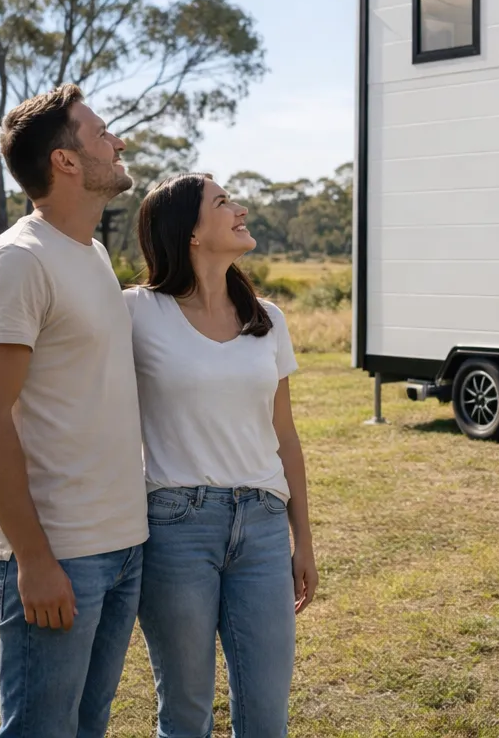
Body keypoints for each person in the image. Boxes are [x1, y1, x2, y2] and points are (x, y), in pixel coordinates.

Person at [0, 84, 146, 738]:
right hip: (59, 554)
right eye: (100, 134)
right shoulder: (16, 263)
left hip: (121, 544)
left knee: (86, 729)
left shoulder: (91, 253)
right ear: (65, 161)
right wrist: (34, 559)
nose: (118, 141)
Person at [126, 173, 317, 738]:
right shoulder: (135, 313)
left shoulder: (268, 319)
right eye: (223, 202)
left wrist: (302, 537)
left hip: (261, 526)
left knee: (266, 715)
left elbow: (285, 434)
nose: (239, 209)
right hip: (174, 527)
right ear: (188, 231)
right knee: (186, 713)